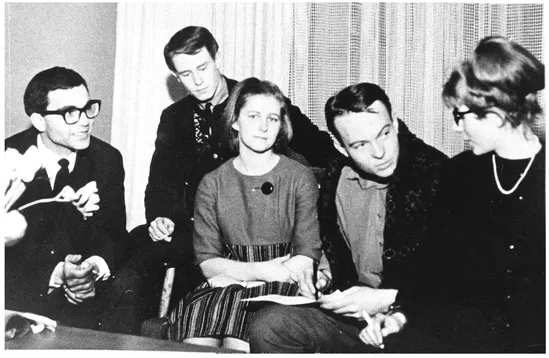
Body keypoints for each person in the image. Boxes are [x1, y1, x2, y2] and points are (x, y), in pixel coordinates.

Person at [123, 25, 341, 320]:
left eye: (203, 67)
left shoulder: (252, 101)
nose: (198, 81)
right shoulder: (174, 118)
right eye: (186, 74)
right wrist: (160, 216)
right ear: (176, 77)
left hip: (244, 236)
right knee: (132, 257)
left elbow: (321, 149)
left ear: (216, 57)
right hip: (191, 232)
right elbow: (160, 181)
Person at [357, 36, 545, 353]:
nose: (457, 128)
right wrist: (398, 317)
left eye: (460, 115)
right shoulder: (459, 174)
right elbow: (432, 269)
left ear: (494, 112)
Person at [249, 82, 448, 353]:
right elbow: (336, 252)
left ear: (396, 124)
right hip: (356, 320)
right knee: (270, 326)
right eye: (360, 144)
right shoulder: (335, 180)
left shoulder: (441, 177)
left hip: (417, 320)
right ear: (341, 147)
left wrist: (389, 301)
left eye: (385, 133)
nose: (379, 152)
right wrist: (322, 277)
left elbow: (460, 285)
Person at [166, 77, 323, 352]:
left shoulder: (299, 176)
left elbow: (307, 254)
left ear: (281, 126)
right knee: (196, 324)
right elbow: (208, 262)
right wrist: (256, 271)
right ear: (235, 121)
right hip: (228, 281)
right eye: (253, 116)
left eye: (272, 119)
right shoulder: (212, 183)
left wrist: (265, 275)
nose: (263, 127)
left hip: (282, 284)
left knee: (243, 331)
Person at [4, 67, 138, 334]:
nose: (85, 121)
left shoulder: (107, 159)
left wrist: (93, 269)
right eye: (69, 113)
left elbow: (115, 236)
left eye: (88, 108)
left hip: (88, 298)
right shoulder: (8, 159)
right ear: (39, 121)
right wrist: (56, 274)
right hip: (24, 294)